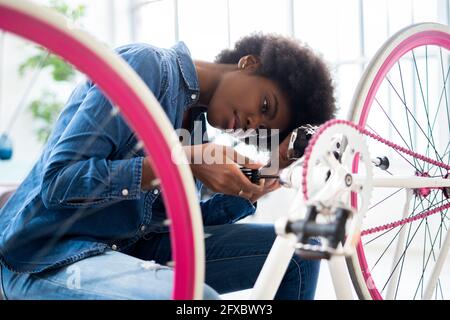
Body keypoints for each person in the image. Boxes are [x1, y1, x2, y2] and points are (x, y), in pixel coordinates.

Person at [0, 33, 335, 300]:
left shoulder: (197, 128)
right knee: (195, 299)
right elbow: (60, 182)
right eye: (264, 105)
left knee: (299, 253)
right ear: (248, 63)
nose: (251, 123)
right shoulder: (145, 66)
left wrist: (253, 187)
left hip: (133, 247)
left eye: (261, 129)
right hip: (43, 256)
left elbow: (167, 225)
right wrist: (181, 161)